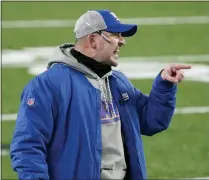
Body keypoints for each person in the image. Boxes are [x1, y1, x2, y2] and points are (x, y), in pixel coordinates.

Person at [10, 10, 191, 180]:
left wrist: (164, 85)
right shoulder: (48, 85)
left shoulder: (118, 82)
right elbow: (27, 147)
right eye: (115, 35)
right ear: (93, 40)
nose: (122, 41)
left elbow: (152, 121)